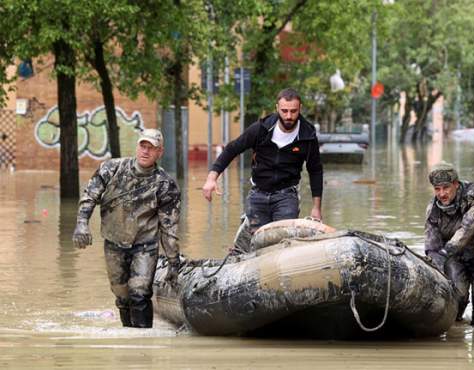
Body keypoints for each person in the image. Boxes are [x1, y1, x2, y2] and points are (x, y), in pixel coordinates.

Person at [72, 128, 181, 328]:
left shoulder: (165, 185)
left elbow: (169, 227)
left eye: (152, 148)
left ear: (160, 152)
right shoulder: (112, 168)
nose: (146, 151)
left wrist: (173, 263)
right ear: (137, 146)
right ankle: (128, 337)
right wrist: (81, 223)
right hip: (114, 242)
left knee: (139, 293)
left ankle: (143, 344)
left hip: (145, 245)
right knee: (122, 296)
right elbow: (90, 196)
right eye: (143, 146)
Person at [202, 88, 323, 247]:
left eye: (293, 111)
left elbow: (315, 170)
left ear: (300, 109)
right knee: (256, 244)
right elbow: (232, 149)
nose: (288, 116)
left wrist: (316, 208)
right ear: (276, 108)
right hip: (258, 195)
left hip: (286, 197)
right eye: (284, 111)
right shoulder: (261, 129)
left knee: (283, 244)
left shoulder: (308, 135)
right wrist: (211, 178)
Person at [424, 161, 474, 326]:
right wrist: (434, 267)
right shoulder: (433, 210)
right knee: (455, 301)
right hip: (455, 258)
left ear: (456, 185)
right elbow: (432, 247)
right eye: (437, 189)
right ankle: (454, 342)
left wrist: (445, 252)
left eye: (446, 188)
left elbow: (467, 228)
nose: (442, 193)